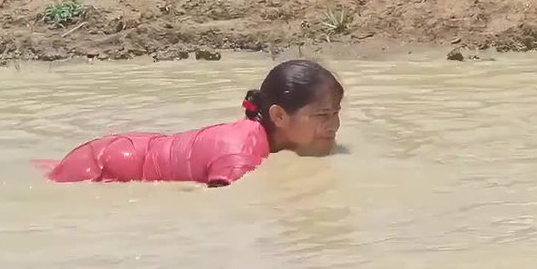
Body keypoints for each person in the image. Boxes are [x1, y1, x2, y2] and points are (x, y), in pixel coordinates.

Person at [44, 59, 343, 187]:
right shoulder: (240, 157)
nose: (335, 125)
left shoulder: (262, 139)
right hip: (106, 163)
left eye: (336, 113)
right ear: (279, 116)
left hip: (128, 148)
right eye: (322, 115)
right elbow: (214, 207)